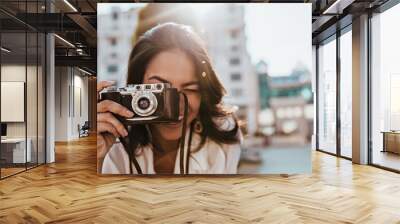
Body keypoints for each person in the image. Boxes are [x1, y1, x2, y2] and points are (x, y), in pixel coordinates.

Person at [97, 23, 242, 174]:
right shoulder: (112, 135)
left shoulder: (224, 134)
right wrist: (95, 159)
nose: (175, 104)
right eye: (159, 88)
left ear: (203, 93)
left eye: (190, 89)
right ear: (136, 85)